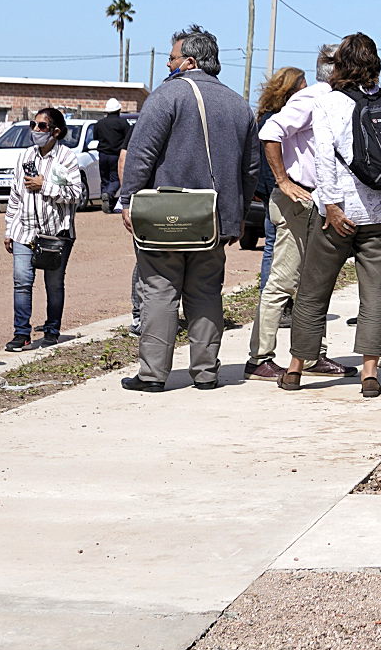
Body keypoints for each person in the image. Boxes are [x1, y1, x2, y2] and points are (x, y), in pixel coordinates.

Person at [115, 27, 270, 394]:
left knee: (159, 290)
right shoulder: (238, 104)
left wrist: (128, 201)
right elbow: (250, 170)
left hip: (163, 216)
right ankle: (205, 372)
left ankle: (153, 374)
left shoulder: (167, 96)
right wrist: (234, 217)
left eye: (170, 59)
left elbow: (141, 154)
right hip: (213, 219)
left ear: (189, 61)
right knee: (206, 293)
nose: (167, 65)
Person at [273, 31, 381, 397]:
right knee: (377, 294)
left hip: (339, 215)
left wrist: (331, 205)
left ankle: (296, 369)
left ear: (340, 65)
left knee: (314, 291)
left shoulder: (329, 103)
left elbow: (325, 159)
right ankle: (370, 374)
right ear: (374, 65)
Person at [243, 65, 326, 379]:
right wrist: (283, 183)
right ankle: (260, 357)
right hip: (292, 202)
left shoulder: (297, 113)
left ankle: (314, 354)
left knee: (312, 282)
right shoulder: (283, 116)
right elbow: (269, 139)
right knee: (280, 283)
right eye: (304, 84)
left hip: (303, 200)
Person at [4, 106, 80, 351]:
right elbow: (15, 194)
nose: (36, 130)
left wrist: (44, 185)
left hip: (55, 234)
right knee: (22, 282)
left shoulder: (66, 158)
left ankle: (51, 329)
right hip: (24, 231)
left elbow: (76, 195)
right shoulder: (25, 156)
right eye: (33, 125)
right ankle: (22, 334)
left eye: (42, 126)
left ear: (56, 132)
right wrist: (9, 229)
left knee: (53, 283)